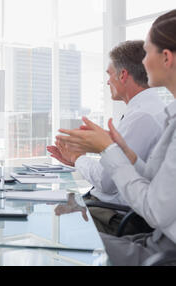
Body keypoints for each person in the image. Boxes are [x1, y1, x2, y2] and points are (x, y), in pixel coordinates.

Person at [56, 9, 176, 266]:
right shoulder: (166, 115)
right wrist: (123, 152)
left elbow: (155, 209)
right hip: (154, 239)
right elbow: (155, 182)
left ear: (166, 57)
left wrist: (107, 150)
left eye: (148, 52)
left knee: (54, 237)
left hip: (160, 248)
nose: (144, 62)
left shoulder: (146, 115)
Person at [47, 40, 166, 235]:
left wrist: (78, 158)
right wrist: (79, 159)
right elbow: (122, 169)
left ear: (123, 74)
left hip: (113, 217)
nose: (108, 81)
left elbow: (107, 183)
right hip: (104, 208)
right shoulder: (144, 110)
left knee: (49, 225)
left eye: (109, 74)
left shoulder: (143, 116)